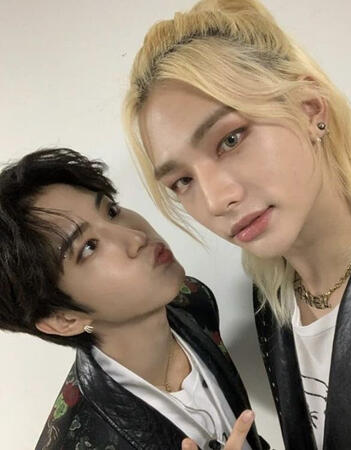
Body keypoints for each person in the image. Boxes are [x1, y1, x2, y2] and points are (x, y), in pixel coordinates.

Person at [122, 0, 351, 448]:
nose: (216, 199)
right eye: (182, 181)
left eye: (230, 139)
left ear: (311, 109)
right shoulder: (274, 293)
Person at [0, 148, 270, 450]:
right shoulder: (81, 441)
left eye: (111, 211)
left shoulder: (192, 300)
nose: (136, 236)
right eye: (89, 247)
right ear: (64, 319)